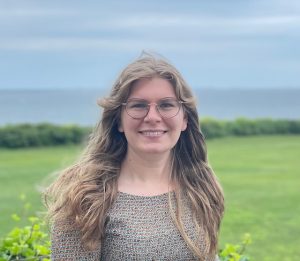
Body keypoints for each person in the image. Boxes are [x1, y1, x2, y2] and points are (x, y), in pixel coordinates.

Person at [45, 53, 224, 261]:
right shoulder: (86, 197)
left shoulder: (201, 187)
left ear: (185, 119)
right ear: (118, 121)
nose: (153, 117)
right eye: (138, 105)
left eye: (166, 105)